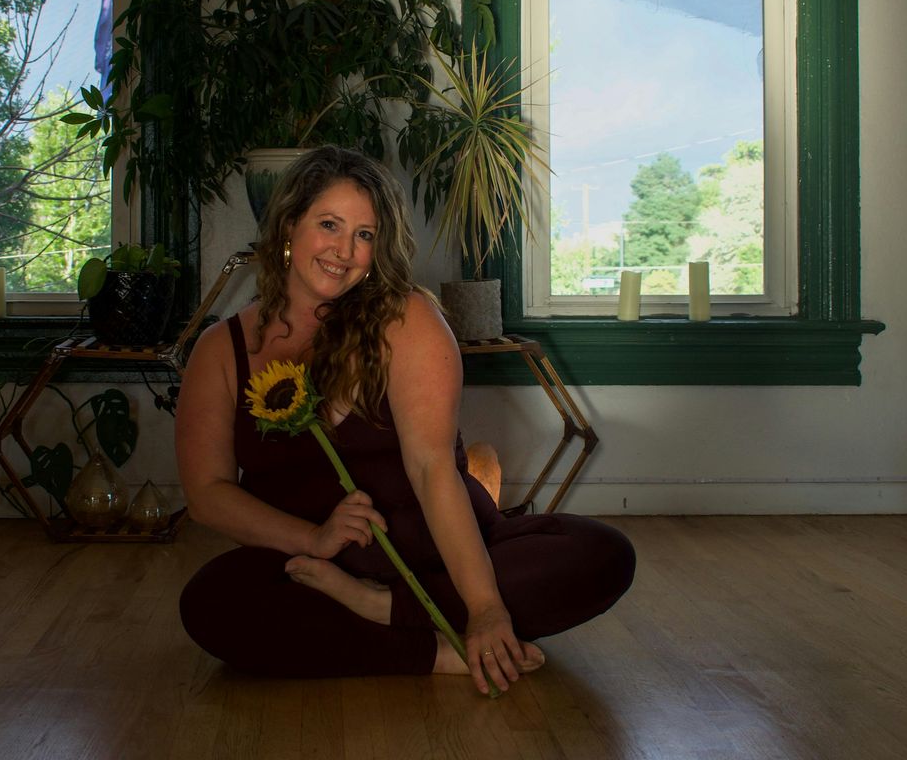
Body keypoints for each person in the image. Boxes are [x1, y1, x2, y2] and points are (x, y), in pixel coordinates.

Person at [176, 146, 634, 695]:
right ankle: (431, 650)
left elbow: (431, 468)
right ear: (290, 225)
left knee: (601, 554)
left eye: (365, 235)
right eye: (329, 225)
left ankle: (383, 609)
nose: (344, 251)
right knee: (210, 604)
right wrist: (314, 538)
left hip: (435, 554)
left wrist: (485, 607)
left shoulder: (406, 318)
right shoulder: (220, 349)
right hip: (314, 569)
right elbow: (207, 494)